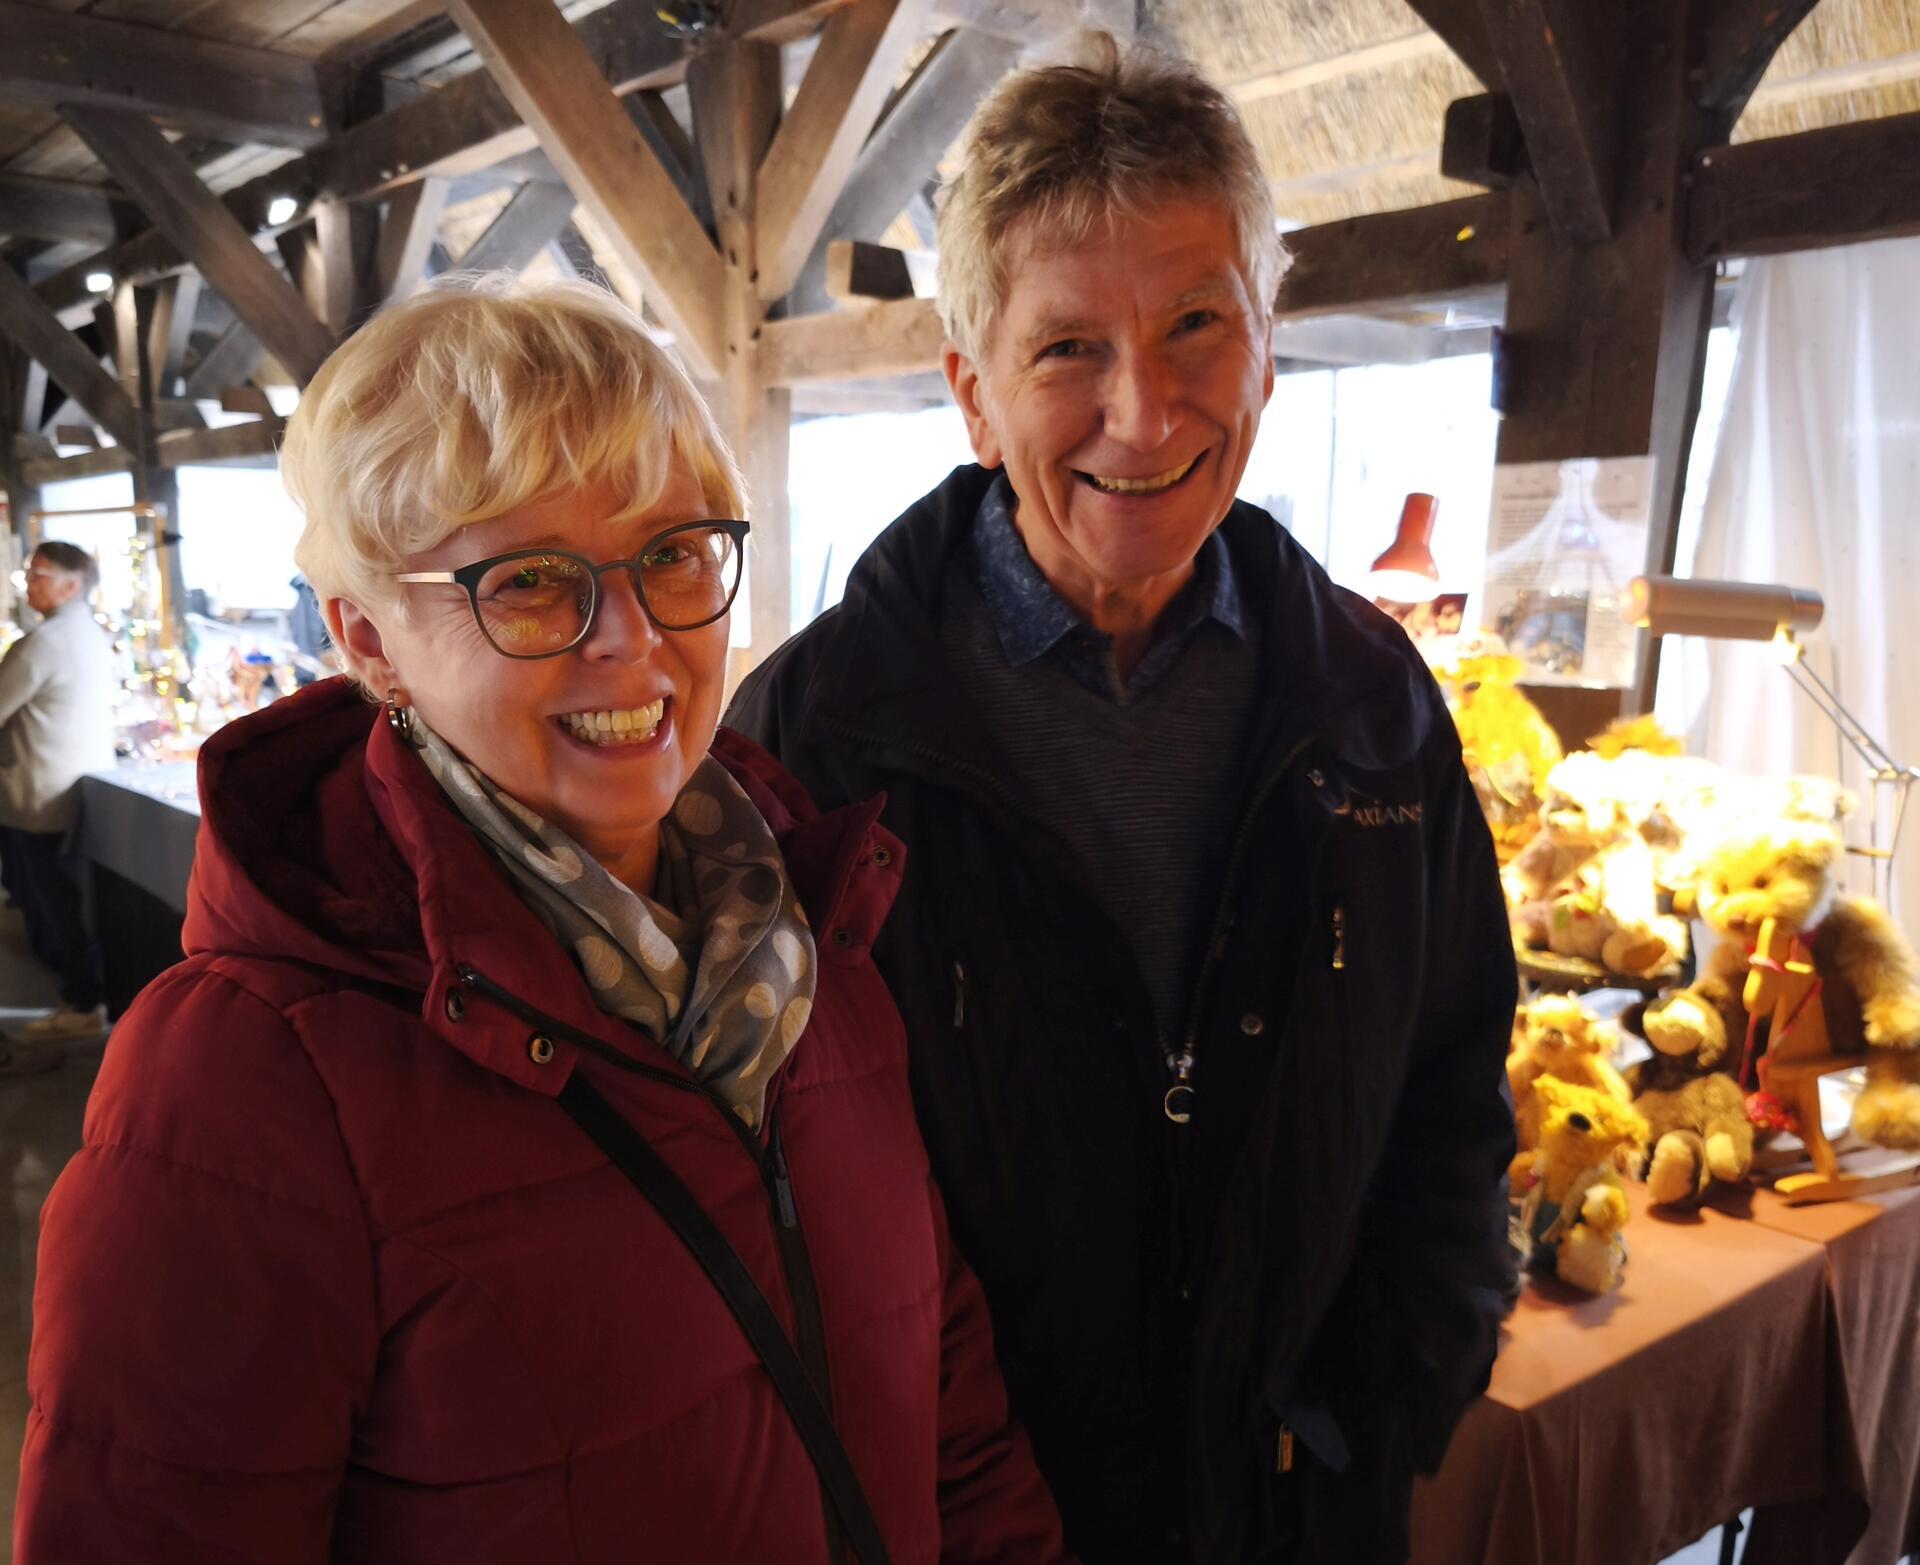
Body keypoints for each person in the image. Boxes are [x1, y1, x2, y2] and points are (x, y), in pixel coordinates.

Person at [17, 278, 1067, 1564]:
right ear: (370, 638)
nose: (630, 638)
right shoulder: (245, 1080)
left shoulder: (812, 956)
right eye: (528, 582)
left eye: (674, 554)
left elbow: (948, 1415)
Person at [728, 36, 1516, 1565]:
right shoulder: (814, 733)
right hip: (956, 1521)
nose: (1144, 414)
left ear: (1268, 351)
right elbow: (753, 1166)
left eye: (1195, 325)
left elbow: (1453, 1079)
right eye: (1068, 348)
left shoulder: (1374, 704)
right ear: (973, 391)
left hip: (1298, 1504)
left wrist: (1400, 1386)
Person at [0, 541, 117, 1069]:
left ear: (72, 585)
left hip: (36, 793)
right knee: (59, 897)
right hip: (69, 783)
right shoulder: (88, 633)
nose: (28, 583)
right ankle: (79, 992)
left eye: (38, 573)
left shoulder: (41, 644)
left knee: (54, 900)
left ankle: (81, 1002)